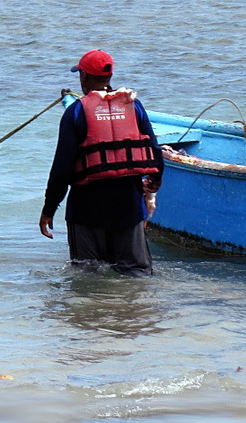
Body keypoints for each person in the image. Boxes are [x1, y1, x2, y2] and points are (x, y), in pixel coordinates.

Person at [39, 49, 165, 276]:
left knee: (88, 275)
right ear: (109, 77)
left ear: (83, 77)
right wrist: (153, 183)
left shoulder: (76, 113)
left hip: (86, 210)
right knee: (135, 274)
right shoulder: (134, 107)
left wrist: (49, 209)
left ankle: (94, 311)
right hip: (129, 207)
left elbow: (62, 169)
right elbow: (154, 152)